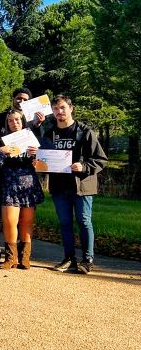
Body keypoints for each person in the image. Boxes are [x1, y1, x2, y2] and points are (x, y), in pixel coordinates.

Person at [42, 95, 108, 274]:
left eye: (62, 108)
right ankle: (69, 258)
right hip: (59, 186)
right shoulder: (50, 133)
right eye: (55, 109)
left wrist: (84, 166)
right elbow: (44, 159)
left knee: (84, 221)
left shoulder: (84, 132)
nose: (59, 112)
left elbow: (101, 159)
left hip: (82, 186)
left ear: (71, 109)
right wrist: (38, 162)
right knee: (64, 223)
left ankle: (87, 260)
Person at [0, 109, 44, 270]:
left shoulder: (32, 137)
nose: (14, 123)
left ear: (22, 121)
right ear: (7, 123)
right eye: (10, 120)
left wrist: (37, 155)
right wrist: (1, 152)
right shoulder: (2, 141)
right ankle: (10, 257)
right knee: (9, 221)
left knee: (26, 221)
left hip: (28, 182)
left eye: (17, 120)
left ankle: (24, 257)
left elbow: (43, 162)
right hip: (9, 182)